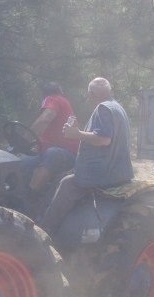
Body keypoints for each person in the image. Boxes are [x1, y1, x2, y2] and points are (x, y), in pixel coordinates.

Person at [40, 77, 133, 233]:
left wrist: (77, 134)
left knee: (66, 184)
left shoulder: (103, 108)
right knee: (65, 176)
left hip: (104, 175)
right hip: (118, 172)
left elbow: (104, 139)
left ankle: (46, 229)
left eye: (88, 95)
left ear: (91, 94)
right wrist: (80, 132)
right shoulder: (117, 107)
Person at [22, 82, 79, 192]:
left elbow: (44, 119)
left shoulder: (53, 99)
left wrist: (24, 140)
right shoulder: (63, 103)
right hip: (60, 150)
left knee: (52, 154)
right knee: (24, 161)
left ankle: (31, 193)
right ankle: (14, 192)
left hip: (67, 153)